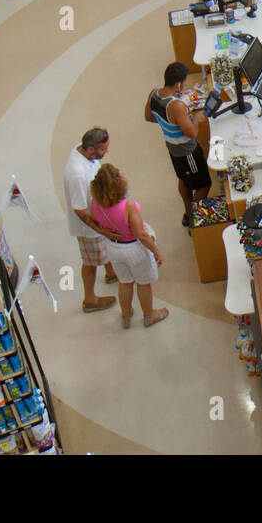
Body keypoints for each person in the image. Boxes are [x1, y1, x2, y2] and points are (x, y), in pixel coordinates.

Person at [89, 164, 168, 329]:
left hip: (113, 247)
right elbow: (141, 234)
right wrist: (155, 251)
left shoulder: (96, 203)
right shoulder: (128, 206)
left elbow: (95, 221)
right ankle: (149, 315)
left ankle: (125, 315)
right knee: (143, 283)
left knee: (124, 282)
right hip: (134, 248)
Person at [146, 62, 213, 228]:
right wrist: (195, 119)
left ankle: (186, 211)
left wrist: (169, 124)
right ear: (178, 84)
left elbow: (149, 117)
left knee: (183, 178)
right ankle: (193, 217)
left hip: (172, 148)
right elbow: (192, 133)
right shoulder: (176, 106)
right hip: (187, 151)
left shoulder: (153, 94)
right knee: (204, 184)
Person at [62, 127, 120, 312]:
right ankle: (90, 300)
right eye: (103, 149)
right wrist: (99, 229)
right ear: (90, 149)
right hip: (89, 228)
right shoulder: (77, 174)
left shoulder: (82, 149)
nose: (106, 152)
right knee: (90, 262)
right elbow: (79, 209)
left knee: (104, 248)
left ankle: (111, 273)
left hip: (98, 219)